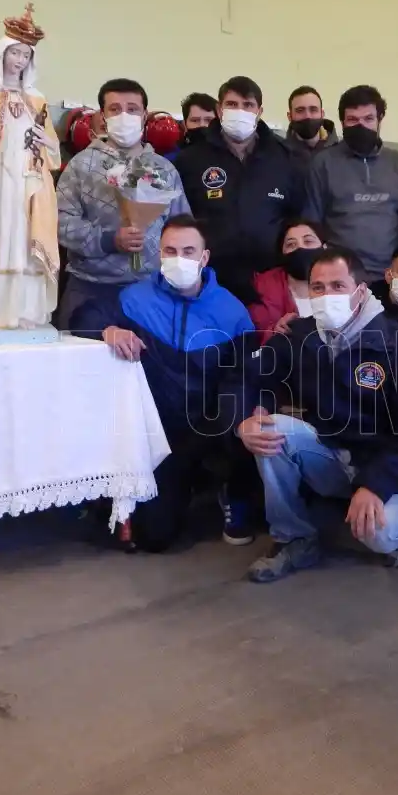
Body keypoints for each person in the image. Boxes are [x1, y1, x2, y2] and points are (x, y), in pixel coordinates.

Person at [235, 246, 398, 582]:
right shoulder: (299, 335)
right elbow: (249, 375)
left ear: (360, 292)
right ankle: (295, 537)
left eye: (338, 286)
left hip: (385, 462)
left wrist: (376, 485)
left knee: (379, 535)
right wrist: (245, 417)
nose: (327, 295)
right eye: (318, 288)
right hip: (328, 450)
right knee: (268, 429)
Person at [78, 216, 260, 548]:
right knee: (154, 537)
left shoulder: (232, 313)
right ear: (159, 254)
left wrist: (227, 428)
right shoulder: (134, 298)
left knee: (245, 422)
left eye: (188, 251)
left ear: (204, 257)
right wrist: (107, 330)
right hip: (152, 430)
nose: (179, 259)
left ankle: (226, 488)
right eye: (170, 251)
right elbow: (83, 316)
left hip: (204, 428)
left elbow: (243, 379)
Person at [57, 77, 191, 326]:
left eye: (132, 109)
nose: (124, 116)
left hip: (151, 290)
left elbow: (183, 226)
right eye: (115, 109)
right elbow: (61, 223)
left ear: (145, 115)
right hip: (90, 287)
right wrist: (109, 240)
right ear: (103, 116)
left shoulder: (164, 169)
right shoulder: (81, 165)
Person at [0, 7, 62, 331]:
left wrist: (48, 143)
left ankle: (28, 310)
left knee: (27, 244)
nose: (19, 60)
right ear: (2, 54)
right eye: (15, 53)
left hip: (30, 181)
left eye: (25, 55)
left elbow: (51, 144)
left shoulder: (37, 98)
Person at [175, 75, 309, 304]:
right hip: (211, 279)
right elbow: (181, 218)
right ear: (219, 110)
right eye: (232, 104)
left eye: (248, 105)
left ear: (259, 111)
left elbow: (298, 216)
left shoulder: (286, 158)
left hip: (271, 279)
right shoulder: (191, 159)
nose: (240, 111)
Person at [306, 85, 398, 276]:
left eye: (368, 119)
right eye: (353, 119)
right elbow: (311, 225)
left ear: (380, 119)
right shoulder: (322, 163)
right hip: (339, 277)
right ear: (342, 122)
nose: (361, 126)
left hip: (391, 277)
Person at [247, 219, 327, 343]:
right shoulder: (262, 287)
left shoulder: (344, 281)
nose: (300, 248)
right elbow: (253, 337)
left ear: (324, 248)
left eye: (308, 241)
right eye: (291, 244)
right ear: (282, 254)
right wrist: (275, 332)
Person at [283, 86, 338, 166]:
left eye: (313, 110)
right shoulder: (279, 154)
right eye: (300, 110)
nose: (307, 116)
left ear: (322, 114)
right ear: (289, 116)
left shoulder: (343, 153)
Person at [173, 92, 217, 158]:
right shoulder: (173, 158)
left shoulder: (230, 154)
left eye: (208, 120)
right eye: (195, 120)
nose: (202, 125)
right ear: (185, 125)